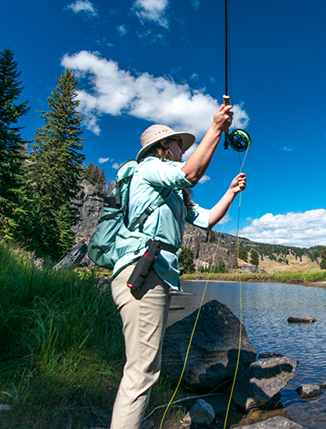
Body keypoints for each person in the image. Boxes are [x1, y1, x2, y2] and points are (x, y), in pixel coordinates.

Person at [109, 102, 246, 429]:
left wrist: (229, 192)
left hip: (152, 275)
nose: (182, 149)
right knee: (141, 373)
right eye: (177, 144)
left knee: (143, 369)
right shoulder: (149, 169)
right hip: (144, 275)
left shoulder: (172, 194)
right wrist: (215, 129)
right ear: (161, 149)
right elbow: (191, 174)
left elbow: (208, 219)